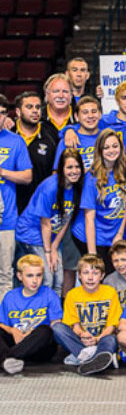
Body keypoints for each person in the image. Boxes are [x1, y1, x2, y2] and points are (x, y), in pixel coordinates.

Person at [14, 149, 84, 296]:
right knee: (47, 277)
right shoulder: (50, 187)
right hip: (32, 234)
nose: (74, 171)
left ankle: (55, 310)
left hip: (50, 238)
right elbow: (45, 223)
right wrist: (48, 251)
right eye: (69, 167)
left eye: (77, 167)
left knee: (59, 280)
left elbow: (66, 220)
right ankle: (40, 309)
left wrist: (55, 246)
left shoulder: (77, 187)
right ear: (61, 169)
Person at [72, 129, 126, 273]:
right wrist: (93, 255)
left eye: (115, 146)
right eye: (106, 147)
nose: (112, 150)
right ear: (100, 150)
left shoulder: (125, 170)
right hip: (93, 236)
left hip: (115, 234)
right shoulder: (92, 177)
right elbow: (89, 218)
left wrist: (120, 233)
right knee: (98, 273)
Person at [52, 254, 121, 375]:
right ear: (79, 275)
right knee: (57, 328)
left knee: (111, 339)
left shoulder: (110, 292)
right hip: (81, 340)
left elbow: (112, 325)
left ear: (102, 276)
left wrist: (98, 338)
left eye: (95, 273)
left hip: (102, 338)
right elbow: (74, 324)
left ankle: (86, 356)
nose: (90, 277)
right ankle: (95, 357)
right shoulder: (72, 294)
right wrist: (82, 335)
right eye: (85, 273)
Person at [0, 254, 61, 374]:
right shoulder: (10, 296)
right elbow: (2, 323)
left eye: (38, 275)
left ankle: (6, 358)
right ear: (19, 276)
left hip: (39, 347)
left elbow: (56, 323)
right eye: (30, 276)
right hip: (16, 340)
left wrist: (31, 334)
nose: (35, 280)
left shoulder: (49, 294)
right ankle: (10, 360)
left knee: (46, 330)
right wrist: (12, 331)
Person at [0, 95, 33, 303]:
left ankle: (2, 318)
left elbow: (27, 177)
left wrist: (2, 172)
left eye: (2, 113)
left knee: (5, 273)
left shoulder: (15, 141)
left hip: (7, 220)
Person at [13, 91, 57, 214]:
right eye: (29, 107)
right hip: (13, 207)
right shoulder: (9, 135)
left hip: (43, 206)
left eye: (38, 107)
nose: (35, 111)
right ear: (18, 112)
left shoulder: (51, 136)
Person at [54, 96, 101, 171]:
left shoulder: (108, 138)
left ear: (100, 114)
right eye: (85, 112)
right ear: (76, 117)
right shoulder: (67, 141)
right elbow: (57, 172)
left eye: (94, 111)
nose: (90, 116)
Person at [40, 73, 75, 145]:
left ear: (71, 94)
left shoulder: (81, 117)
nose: (61, 96)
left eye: (65, 91)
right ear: (47, 94)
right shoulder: (37, 118)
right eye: (56, 91)